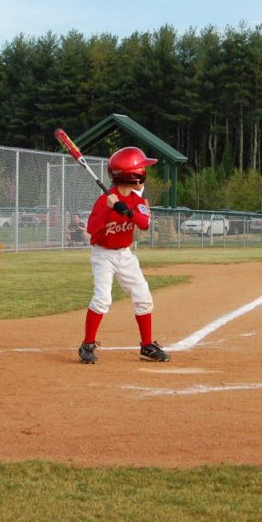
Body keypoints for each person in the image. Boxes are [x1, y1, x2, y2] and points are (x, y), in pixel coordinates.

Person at [78, 146, 170, 364]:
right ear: (132, 174)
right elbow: (92, 229)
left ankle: (146, 346)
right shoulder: (104, 201)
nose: (144, 174)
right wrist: (110, 209)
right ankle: (87, 344)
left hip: (125, 255)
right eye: (141, 169)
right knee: (103, 298)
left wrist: (127, 211)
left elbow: (145, 223)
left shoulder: (137, 201)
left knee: (143, 297)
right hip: (103, 255)